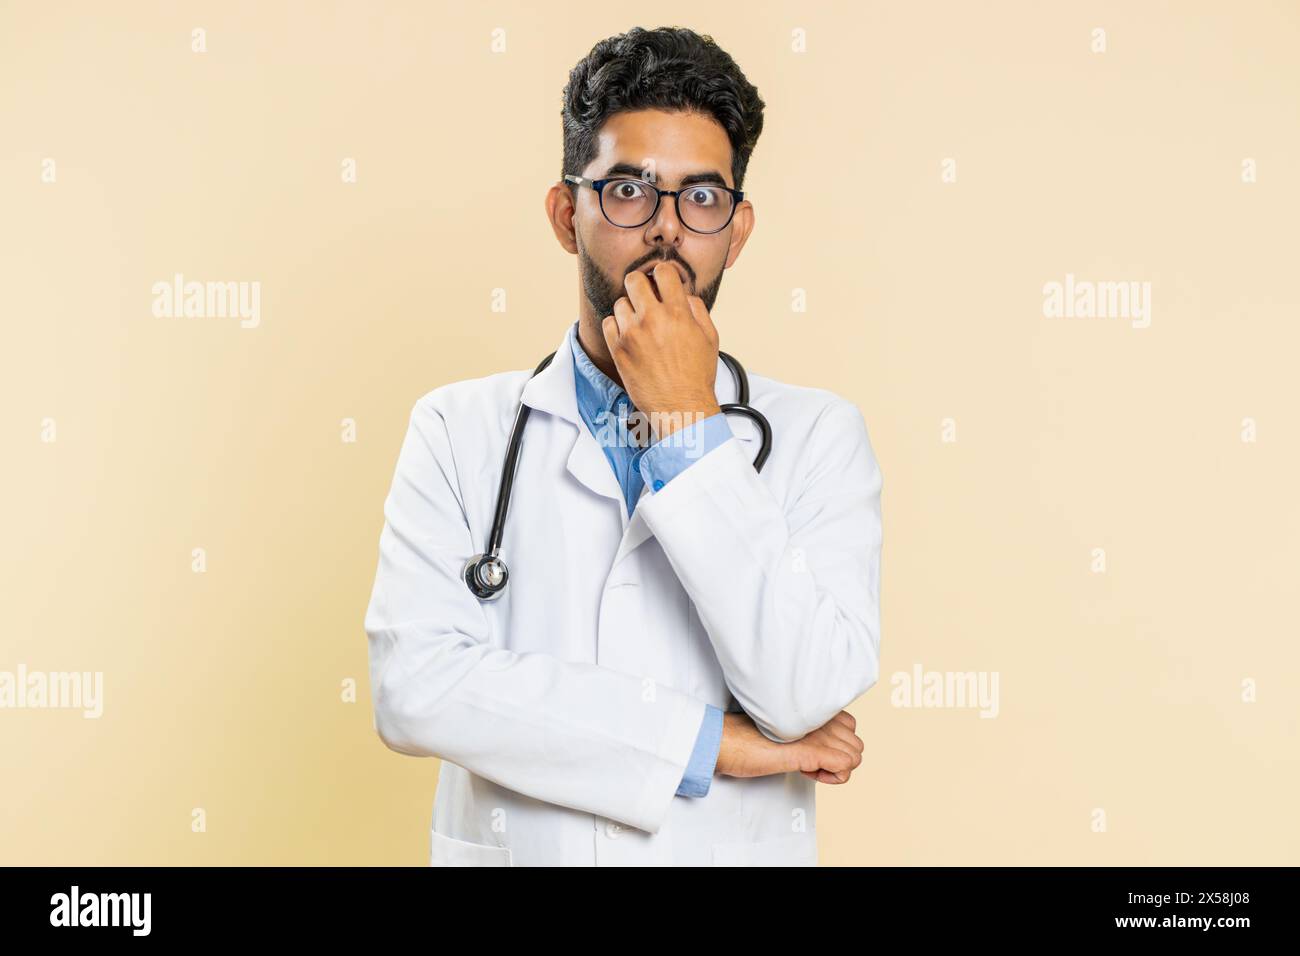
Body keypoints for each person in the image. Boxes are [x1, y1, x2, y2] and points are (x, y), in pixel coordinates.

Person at [364, 26, 883, 866]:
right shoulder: (458, 430)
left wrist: (686, 419)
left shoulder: (819, 437)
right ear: (568, 216)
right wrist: (701, 743)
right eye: (629, 192)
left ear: (738, 230)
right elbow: (413, 691)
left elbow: (804, 693)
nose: (667, 230)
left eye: (701, 198)